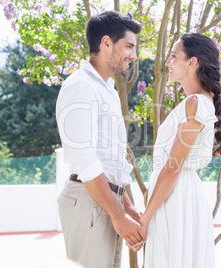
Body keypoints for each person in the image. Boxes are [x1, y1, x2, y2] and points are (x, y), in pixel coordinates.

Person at [55, 11, 146, 268]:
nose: (134, 55)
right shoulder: (80, 85)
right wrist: (117, 214)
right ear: (106, 43)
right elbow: (84, 159)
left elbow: (110, 158)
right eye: (128, 46)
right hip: (89, 201)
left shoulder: (106, 88)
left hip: (105, 201)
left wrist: (126, 207)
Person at [139, 33, 221, 268]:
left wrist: (144, 220)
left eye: (174, 56)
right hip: (180, 196)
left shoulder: (195, 103)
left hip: (175, 198)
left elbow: (172, 168)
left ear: (192, 62)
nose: (168, 62)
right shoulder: (200, 101)